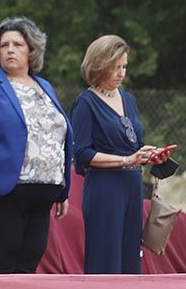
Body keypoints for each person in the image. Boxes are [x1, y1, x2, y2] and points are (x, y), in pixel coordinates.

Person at [0, 17, 72, 273]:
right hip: (4, 193)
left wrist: (63, 191)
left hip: (45, 193)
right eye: (4, 45)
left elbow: (58, 135)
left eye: (18, 45)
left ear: (32, 50)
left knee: (28, 268)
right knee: (0, 266)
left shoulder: (44, 86)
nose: (10, 50)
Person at [70, 35, 166, 274]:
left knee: (131, 256)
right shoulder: (86, 102)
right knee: (106, 257)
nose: (121, 73)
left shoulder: (128, 99)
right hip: (104, 187)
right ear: (99, 65)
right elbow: (82, 153)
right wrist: (125, 160)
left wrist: (150, 154)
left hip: (132, 185)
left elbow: (136, 143)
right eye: (115, 67)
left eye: (124, 67)